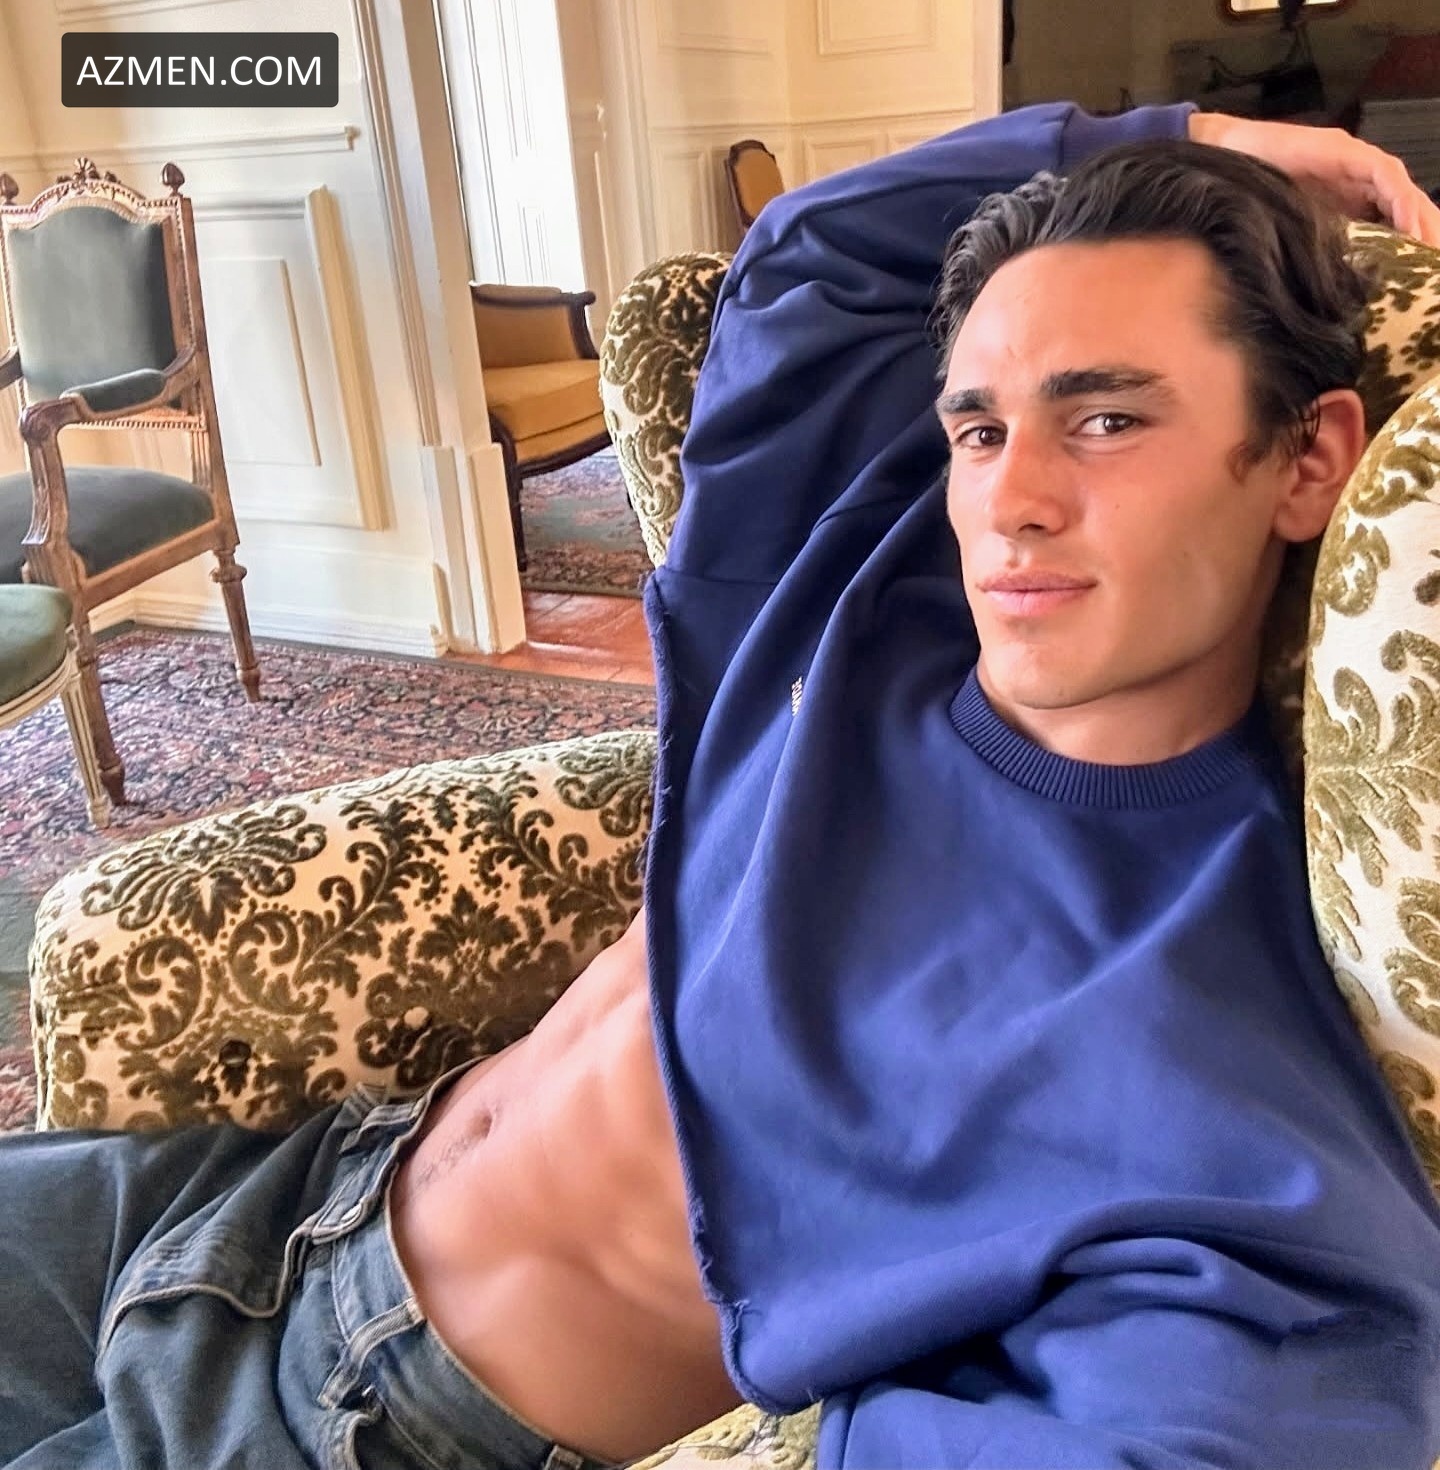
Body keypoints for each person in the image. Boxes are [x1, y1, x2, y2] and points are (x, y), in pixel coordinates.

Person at [3, 102, 1440, 1470]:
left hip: (367, 1417)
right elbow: (809, 259)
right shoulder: (861, 588)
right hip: (278, 1183)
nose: (1012, 501)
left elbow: (1266, 1400)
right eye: (980, 428)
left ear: (1307, 459)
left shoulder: (1196, 1038)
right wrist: (1185, 135)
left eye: (1109, 420)